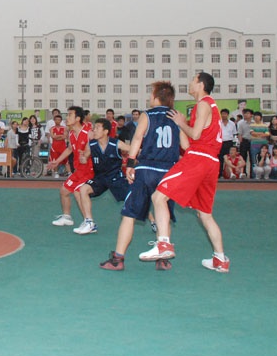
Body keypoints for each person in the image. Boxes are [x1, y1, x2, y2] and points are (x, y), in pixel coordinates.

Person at [140, 72, 230, 273]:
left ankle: (163, 244)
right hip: (211, 162)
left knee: (158, 196)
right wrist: (182, 128)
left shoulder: (203, 104)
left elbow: (195, 135)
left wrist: (181, 123)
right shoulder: (212, 106)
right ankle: (220, 259)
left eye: (193, 80)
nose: (189, 83)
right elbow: (195, 139)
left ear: (201, 84)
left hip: (199, 158)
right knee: (205, 214)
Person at [100, 81, 185, 271]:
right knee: (164, 213)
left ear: (156, 97)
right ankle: (162, 258)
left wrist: (130, 164)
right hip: (168, 172)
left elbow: (138, 138)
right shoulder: (176, 117)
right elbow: (186, 145)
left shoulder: (148, 115)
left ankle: (118, 259)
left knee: (129, 214)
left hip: (147, 169)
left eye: (151, 94)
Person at [72, 118, 130, 235]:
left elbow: (134, 149)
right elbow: (85, 158)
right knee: (83, 189)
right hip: (100, 178)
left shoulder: (116, 143)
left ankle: (152, 220)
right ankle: (89, 222)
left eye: (97, 127)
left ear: (106, 131)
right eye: (94, 127)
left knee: (133, 199)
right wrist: (83, 158)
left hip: (115, 178)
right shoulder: (91, 144)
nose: (94, 130)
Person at [47, 106, 92, 227]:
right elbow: (70, 149)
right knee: (64, 191)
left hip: (88, 170)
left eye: (70, 115)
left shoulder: (88, 132)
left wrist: (86, 156)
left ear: (78, 118)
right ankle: (67, 217)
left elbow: (94, 148)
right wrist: (57, 161)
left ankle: (89, 222)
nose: (66, 118)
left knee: (78, 192)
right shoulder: (71, 133)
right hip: (78, 170)